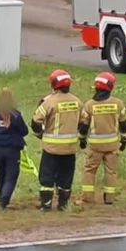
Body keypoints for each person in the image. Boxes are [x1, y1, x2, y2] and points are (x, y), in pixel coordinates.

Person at [31, 69, 81, 211]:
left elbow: (35, 122)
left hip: (51, 148)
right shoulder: (77, 101)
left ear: (53, 84)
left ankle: (46, 206)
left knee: (47, 178)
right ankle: (63, 205)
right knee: (66, 177)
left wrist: (40, 134)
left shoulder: (49, 102)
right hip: (70, 149)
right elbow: (84, 123)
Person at [78, 72, 126, 204]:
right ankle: (109, 198)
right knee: (111, 172)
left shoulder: (89, 105)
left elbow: (83, 126)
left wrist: (82, 140)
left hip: (95, 146)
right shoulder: (119, 104)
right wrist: (124, 141)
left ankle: (87, 198)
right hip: (113, 145)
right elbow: (124, 126)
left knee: (89, 171)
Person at [0, 87, 27, 209]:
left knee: (0, 176)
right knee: (11, 176)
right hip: (12, 150)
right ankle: (4, 200)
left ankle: (0, 199)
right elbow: (24, 131)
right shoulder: (15, 115)